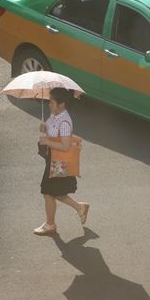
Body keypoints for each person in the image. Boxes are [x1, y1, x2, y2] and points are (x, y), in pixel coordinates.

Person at [34, 87, 90, 235]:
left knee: (48, 191)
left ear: (62, 104)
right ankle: (80, 208)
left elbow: (65, 146)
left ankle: (50, 224)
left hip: (59, 162)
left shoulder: (64, 122)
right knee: (55, 192)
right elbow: (54, 134)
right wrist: (45, 128)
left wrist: (47, 142)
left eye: (51, 102)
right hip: (52, 159)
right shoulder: (55, 116)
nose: (49, 105)